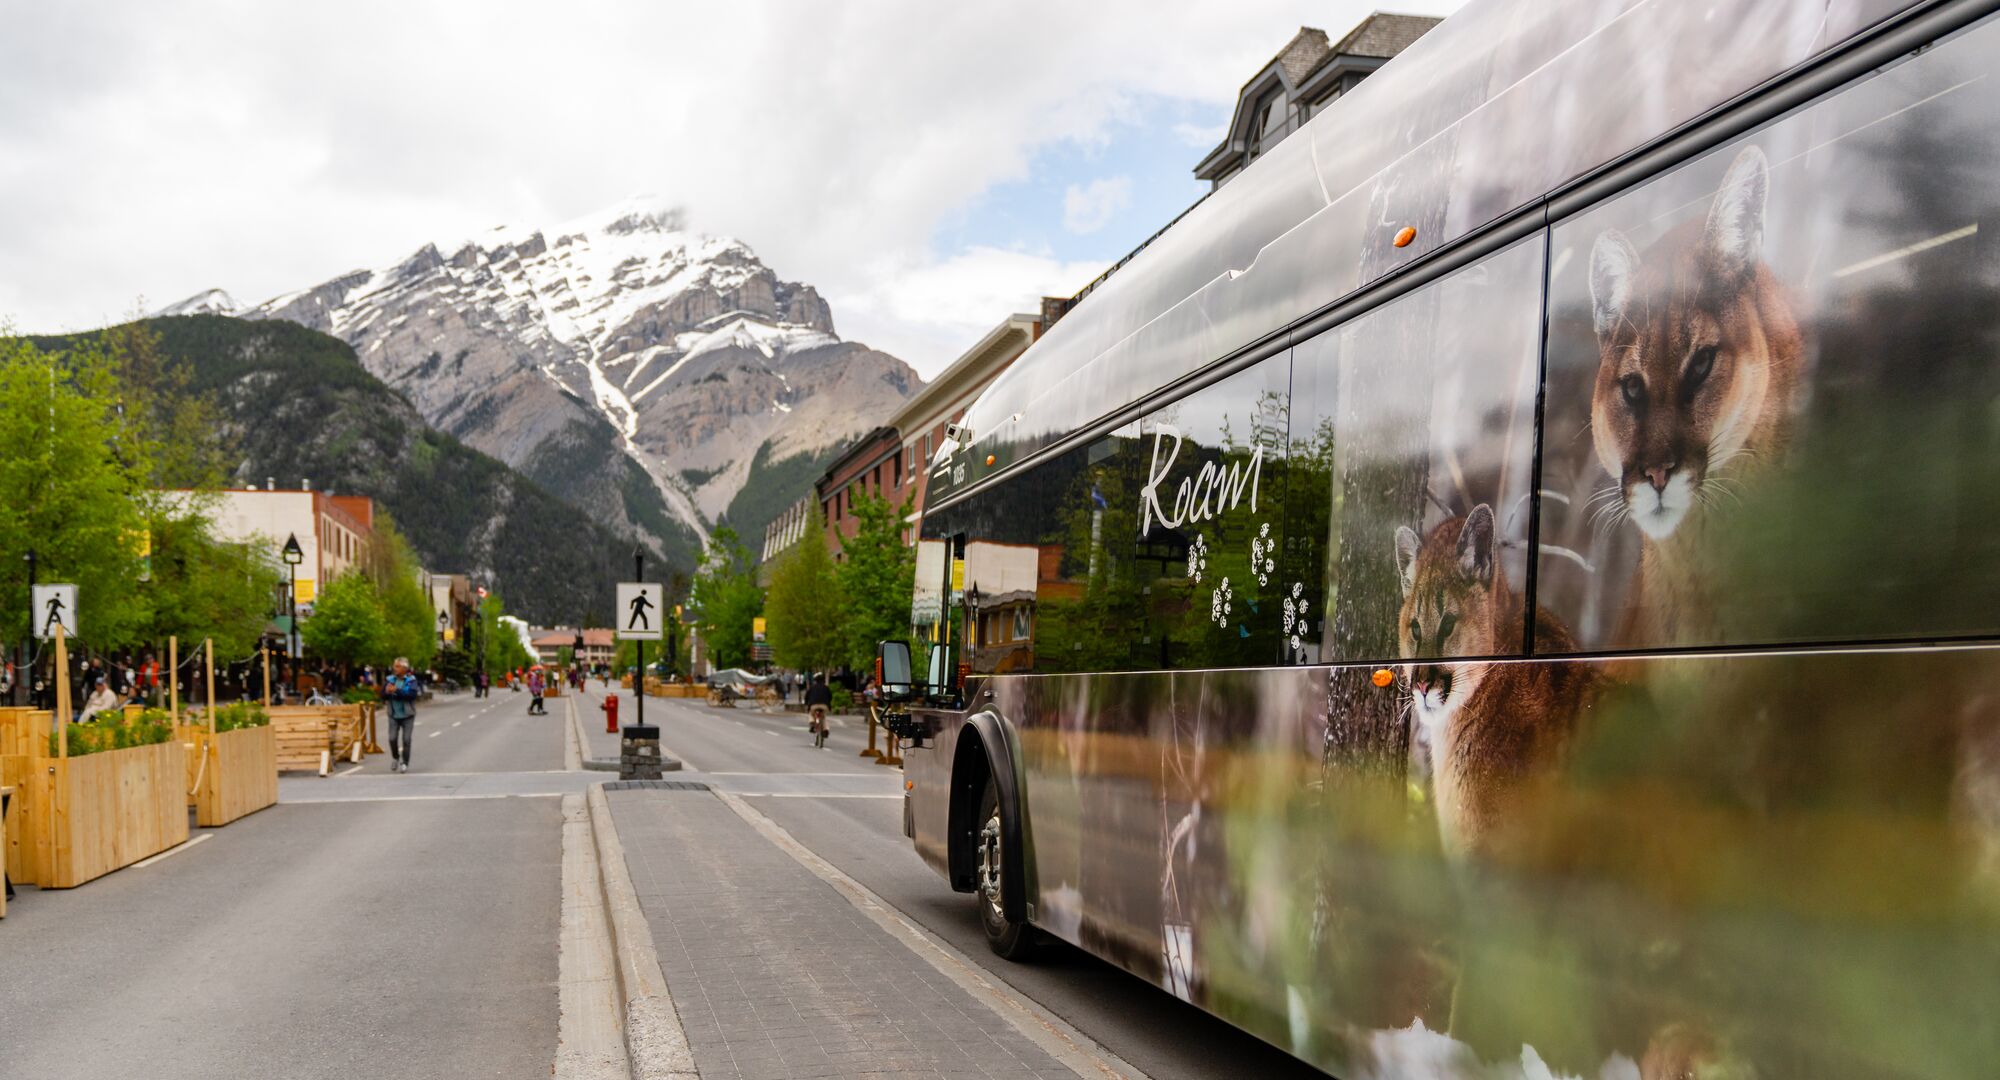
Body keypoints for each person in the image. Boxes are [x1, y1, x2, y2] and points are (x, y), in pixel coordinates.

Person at [382, 657, 421, 773]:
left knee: (406, 740)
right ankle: (395, 757)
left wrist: (396, 691)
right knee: (392, 738)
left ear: (405, 668)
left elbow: (412, 695)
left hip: (408, 715)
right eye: (395, 666)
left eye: (398, 666)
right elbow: (382, 695)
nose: (395, 668)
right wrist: (386, 692)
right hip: (393, 714)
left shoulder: (411, 680)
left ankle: (405, 762)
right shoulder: (390, 680)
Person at [804, 674, 833, 749]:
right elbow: (830, 697)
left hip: (814, 705)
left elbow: (806, 697)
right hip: (824, 705)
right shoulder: (826, 688)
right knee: (823, 718)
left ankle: (812, 724)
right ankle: (826, 729)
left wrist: (806, 704)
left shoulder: (812, 687)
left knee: (811, 714)